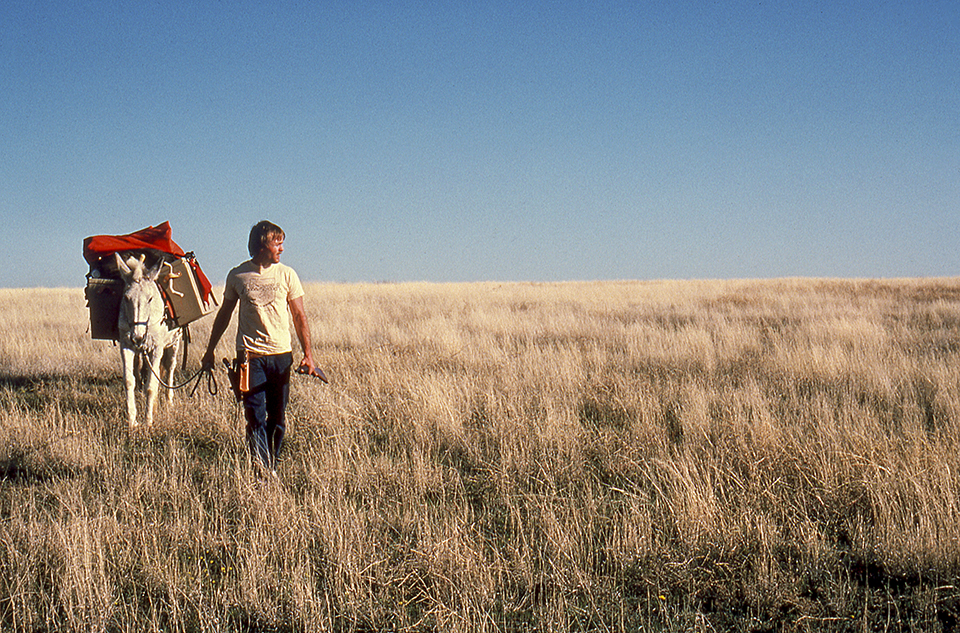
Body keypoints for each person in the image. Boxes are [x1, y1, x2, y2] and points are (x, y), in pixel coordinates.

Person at [201, 220, 325, 475]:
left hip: (281, 356)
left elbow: (300, 316)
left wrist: (309, 356)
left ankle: (271, 464)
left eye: (282, 243)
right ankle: (264, 475)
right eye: (276, 243)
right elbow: (224, 314)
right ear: (262, 245)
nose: (281, 249)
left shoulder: (287, 275)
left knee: (278, 419)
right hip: (250, 357)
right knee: (255, 418)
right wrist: (209, 351)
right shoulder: (237, 275)